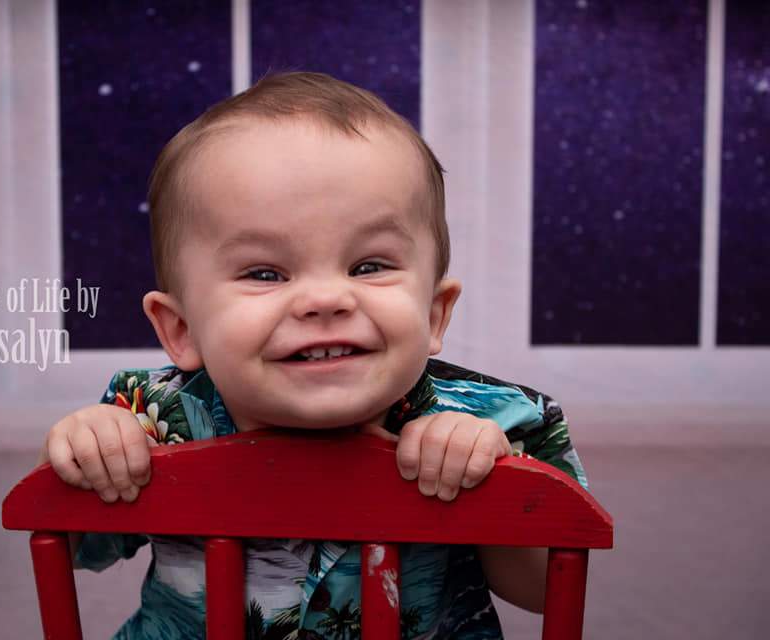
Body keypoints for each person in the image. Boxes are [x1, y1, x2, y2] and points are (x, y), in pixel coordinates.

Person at [37, 71, 588, 639]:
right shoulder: (151, 416)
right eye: (265, 272)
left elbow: (549, 589)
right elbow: (75, 544)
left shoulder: (493, 420)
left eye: (368, 266)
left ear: (432, 315)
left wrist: (491, 484)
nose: (325, 299)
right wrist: (87, 452)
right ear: (182, 331)